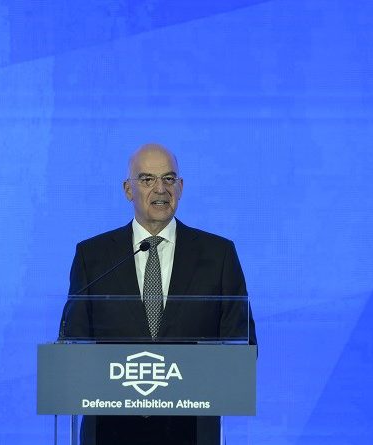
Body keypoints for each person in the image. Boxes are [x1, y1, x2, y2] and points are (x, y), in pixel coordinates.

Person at [62, 143, 256, 445]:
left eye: (169, 178)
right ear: (128, 189)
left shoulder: (219, 255)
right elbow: (73, 345)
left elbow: (243, 346)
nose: (160, 189)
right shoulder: (93, 256)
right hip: (110, 431)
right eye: (147, 179)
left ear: (181, 187)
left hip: (193, 431)